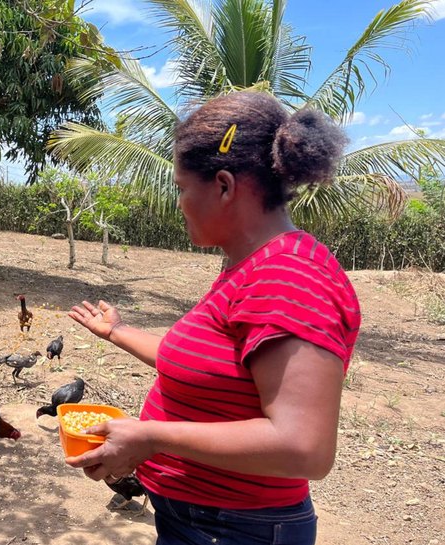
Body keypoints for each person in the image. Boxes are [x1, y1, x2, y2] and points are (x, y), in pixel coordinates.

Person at [66, 91, 360, 545]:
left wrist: (151, 437)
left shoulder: (288, 277)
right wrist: (119, 332)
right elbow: (210, 368)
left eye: (183, 188)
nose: (180, 203)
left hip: (235, 529)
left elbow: (304, 448)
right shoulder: (251, 267)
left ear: (223, 185)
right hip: (204, 522)